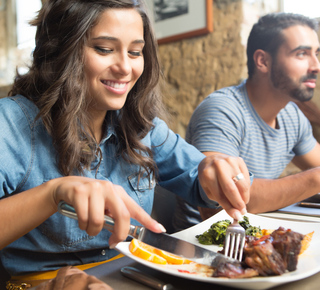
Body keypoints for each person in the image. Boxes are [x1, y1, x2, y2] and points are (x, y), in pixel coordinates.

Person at [0, 0, 251, 287]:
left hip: (140, 274)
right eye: (104, 49)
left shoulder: (141, 125)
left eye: (135, 52)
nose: (125, 68)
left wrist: (215, 171)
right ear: (61, 50)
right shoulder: (10, 122)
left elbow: (201, 181)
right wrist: (52, 194)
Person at [173, 12, 320, 232]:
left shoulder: (292, 115)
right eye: (301, 54)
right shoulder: (222, 110)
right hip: (202, 245)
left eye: (317, 54)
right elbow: (225, 198)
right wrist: (316, 179)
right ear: (263, 61)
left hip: (257, 233)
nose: (316, 66)